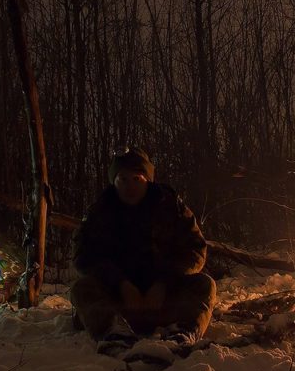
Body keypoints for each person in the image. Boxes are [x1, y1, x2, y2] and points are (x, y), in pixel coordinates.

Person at [70, 147, 216, 349]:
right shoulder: (101, 211)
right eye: (123, 179)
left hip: (164, 301)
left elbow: (195, 249)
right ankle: (113, 333)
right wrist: (121, 284)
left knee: (205, 285)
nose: (130, 187)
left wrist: (163, 283)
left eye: (137, 179)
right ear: (114, 182)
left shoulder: (171, 207)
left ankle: (182, 331)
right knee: (82, 289)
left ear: (148, 180)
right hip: (120, 304)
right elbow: (83, 255)